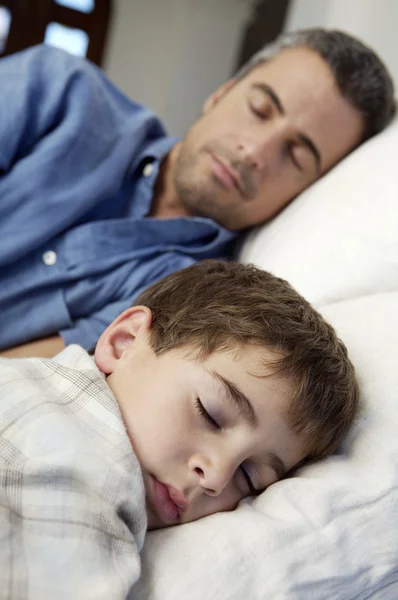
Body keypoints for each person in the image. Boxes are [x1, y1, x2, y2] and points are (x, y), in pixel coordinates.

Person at [0, 29, 394, 358]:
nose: (253, 152)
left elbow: (21, 373)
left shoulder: (187, 301)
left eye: (295, 155)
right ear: (221, 93)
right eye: (259, 109)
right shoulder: (59, 89)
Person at [0, 260, 359, 598]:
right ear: (124, 342)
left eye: (249, 477)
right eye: (211, 415)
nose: (216, 476)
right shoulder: (91, 464)